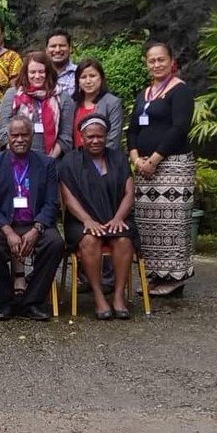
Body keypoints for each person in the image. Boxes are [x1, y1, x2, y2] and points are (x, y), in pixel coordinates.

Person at [128, 39, 195, 297]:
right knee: (149, 224)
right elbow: (133, 129)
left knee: (173, 224)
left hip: (172, 166)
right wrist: (136, 158)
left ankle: (175, 278)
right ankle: (155, 275)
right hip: (144, 169)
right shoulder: (143, 95)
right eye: (152, 60)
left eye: (161, 59)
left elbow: (179, 128)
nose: (156, 64)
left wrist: (154, 159)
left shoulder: (180, 91)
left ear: (171, 61)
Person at [0, 114, 63, 321]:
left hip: (34, 223)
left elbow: (52, 203)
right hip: (3, 225)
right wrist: (8, 231)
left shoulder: (46, 163)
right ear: (7, 136)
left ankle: (32, 301)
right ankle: (5, 301)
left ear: (32, 135)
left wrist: (37, 229)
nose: (19, 139)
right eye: (14, 135)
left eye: (24, 135)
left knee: (55, 243)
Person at [58, 115, 139, 319]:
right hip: (81, 220)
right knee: (89, 239)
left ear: (106, 136)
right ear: (82, 137)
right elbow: (68, 197)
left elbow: (129, 192)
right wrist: (87, 220)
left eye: (100, 136)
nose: (95, 140)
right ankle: (98, 296)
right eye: (90, 136)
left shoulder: (119, 159)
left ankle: (118, 295)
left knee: (123, 239)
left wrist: (119, 217)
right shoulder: (70, 161)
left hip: (115, 216)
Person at [0, 51, 75, 159]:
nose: (37, 76)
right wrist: (17, 155)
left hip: (52, 161)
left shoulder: (62, 97)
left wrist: (49, 160)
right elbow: (4, 131)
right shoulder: (12, 94)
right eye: (32, 72)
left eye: (41, 71)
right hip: (16, 159)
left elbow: (65, 136)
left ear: (48, 72)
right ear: (26, 73)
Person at [73, 57, 125, 152]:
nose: (88, 81)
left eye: (92, 76)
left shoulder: (112, 103)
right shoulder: (73, 104)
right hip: (76, 160)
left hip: (103, 160)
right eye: (83, 77)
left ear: (101, 78)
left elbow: (113, 139)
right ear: (78, 82)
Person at [46, 30, 79, 98]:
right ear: (46, 50)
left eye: (62, 46)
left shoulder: (79, 73)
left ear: (70, 49)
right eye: (53, 46)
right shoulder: (39, 74)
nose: (57, 50)